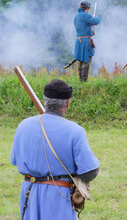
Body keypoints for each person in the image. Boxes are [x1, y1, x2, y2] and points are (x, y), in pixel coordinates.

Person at [10, 79, 99, 220]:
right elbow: (89, 172)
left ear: (45, 100)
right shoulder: (75, 131)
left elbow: (15, 160)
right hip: (58, 196)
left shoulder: (23, 125)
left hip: (29, 193)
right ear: (67, 103)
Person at [73, 1, 101, 82]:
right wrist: (98, 17)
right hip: (85, 41)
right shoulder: (85, 15)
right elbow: (96, 21)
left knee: (80, 60)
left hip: (79, 41)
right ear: (87, 8)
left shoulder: (77, 16)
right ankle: (84, 80)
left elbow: (87, 22)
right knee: (87, 60)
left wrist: (91, 18)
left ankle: (80, 80)